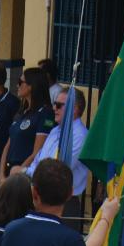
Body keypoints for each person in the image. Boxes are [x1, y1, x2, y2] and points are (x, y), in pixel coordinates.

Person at [23, 89, 90, 223]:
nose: (54, 108)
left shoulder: (79, 135)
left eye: (59, 105)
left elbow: (57, 171)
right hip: (42, 197)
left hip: (64, 202)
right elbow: (38, 161)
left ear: (74, 109)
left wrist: (24, 171)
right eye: (54, 104)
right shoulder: (54, 131)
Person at [2, 67, 55, 179]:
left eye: (20, 82)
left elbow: (37, 152)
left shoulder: (45, 113)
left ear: (32, 85)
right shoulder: (22, 112)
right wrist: (1, 174)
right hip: (9, 171)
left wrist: (18, 174)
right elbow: (8, 145)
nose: (17, 85)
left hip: (24, 174)